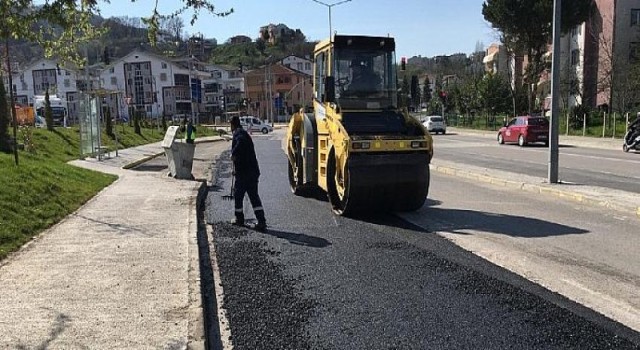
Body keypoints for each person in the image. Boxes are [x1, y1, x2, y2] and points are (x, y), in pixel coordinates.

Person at [229, 116, 267, 231]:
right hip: (252, 171)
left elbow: (240, 144)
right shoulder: (243, 133)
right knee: (254, 196)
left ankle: (239, 219)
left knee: (238, 195)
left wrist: (233, 154)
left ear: (232, 125)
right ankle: (261, 221)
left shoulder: (239, 134)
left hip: (245, 173)